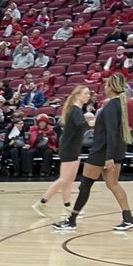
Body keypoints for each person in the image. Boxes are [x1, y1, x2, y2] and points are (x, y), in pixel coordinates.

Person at [54, 73, 133, 232]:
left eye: (106, 85)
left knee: (85, 186)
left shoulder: (112, 106)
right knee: (113, 185)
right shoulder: (118, 105)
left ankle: (71, 221)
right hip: (111, 152)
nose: (104, 88)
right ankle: (129, 218)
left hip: (102, 152)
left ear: (112, 87)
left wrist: (109, 157)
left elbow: (112, 132)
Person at [34, 85, 90, 216]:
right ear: (77, 96)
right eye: (86, 93)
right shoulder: (75, 110)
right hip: (69, 148)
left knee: (69, 180)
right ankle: (41, 203)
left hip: (74, 147)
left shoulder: (76, 109)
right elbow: (81, 125)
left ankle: (67, 206)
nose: (88, 96)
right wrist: (93, 122)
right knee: (64, 178)